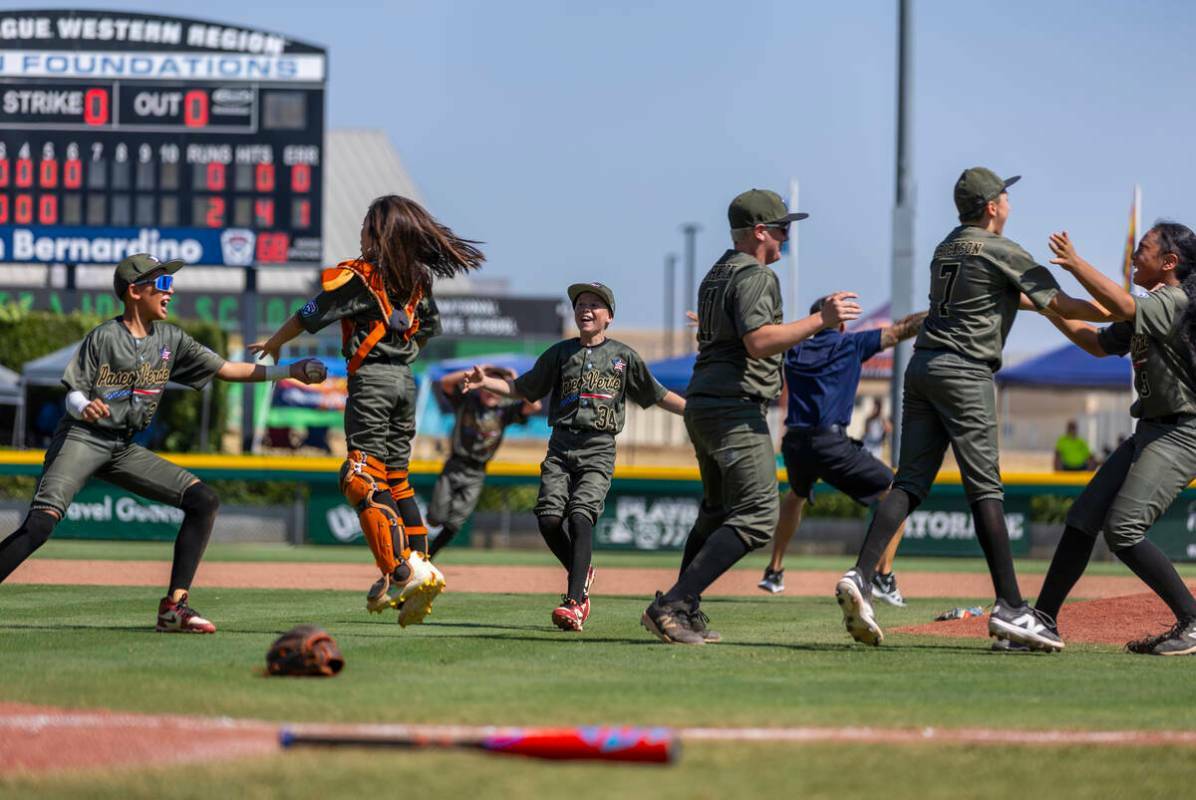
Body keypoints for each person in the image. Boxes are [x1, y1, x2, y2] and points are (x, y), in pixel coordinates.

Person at [834, 167, 1113, 649]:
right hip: (965, 370)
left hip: (922, 367)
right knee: (986, 489)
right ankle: (1011, 606)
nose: (1009, 201)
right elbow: (1062, 305)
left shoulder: (948, 245)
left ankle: (861, 576)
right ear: (992, 206)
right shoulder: (1001, 248)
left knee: (907, 484)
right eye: (1005, 195)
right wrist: (1121, 309)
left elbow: (1002, 299)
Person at [0, 253, 327, 633]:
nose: (170, 292)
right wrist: (84, 405)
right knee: (40, 525)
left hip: (122, 447)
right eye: (163, 284)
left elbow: (226, 369)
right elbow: (73, 390)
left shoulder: (171, 339)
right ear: (135, 291)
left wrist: (291, 371)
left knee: (203, 500)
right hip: (82, 437)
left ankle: (175, 608)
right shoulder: (105, 336)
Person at [641, 188, 861, 645]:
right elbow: (759, 342)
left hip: (705, 401)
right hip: (733, 408)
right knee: (760, 516)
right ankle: (672, 605)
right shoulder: (756, 275)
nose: (786, 237)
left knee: (718, 511)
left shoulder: (716, 273)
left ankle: (685, 607)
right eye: (782, 228)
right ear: (760, 232)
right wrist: (821, 319)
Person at [254, 195, 483, 627]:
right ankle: (422, 564)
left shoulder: (359, 279)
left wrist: (274, 344)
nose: (359, 232)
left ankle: (400, 572)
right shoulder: (418, 280)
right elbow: (429, 328)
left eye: (365, 226)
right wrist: (402, 353)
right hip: (405, 381)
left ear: (378, 234)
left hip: (373, 382)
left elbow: (309, 315)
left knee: (359, 475)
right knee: (396, 479)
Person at [464, 282, 685, 631]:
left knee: (581, 516)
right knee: (549, 519)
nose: (586, 309)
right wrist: (486, 382)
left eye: (595, 304)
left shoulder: (623, 357)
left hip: (598, 447)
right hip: (560, 445)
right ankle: (582, 571)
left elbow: (657, 394)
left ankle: (575, 602)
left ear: (609, 317)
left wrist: (693, 412)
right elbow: (523, 389)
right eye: (581, 303)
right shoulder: (559, 354)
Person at [1028, 222, 1196, 655]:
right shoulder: (1147, 307)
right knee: (1083, 517)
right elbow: (1096, 345)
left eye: (1143, 250)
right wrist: (1048, 309)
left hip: (1182, 432)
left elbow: (1119, 302)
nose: (1133, 257)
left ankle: (1194, 623)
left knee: (1123, 529)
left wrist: (1075, 263)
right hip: (1151, 429)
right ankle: (1042, 620)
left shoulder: (1173, 301)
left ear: (1169, 263)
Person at [758, 298, 927, 605]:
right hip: (830, 443)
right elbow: (902, 330)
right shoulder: (849, 344)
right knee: (897, 491)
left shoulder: (794, 349)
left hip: (795, 443)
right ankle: (883, 576)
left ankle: (774, 570)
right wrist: (945, 309)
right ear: (842, 323)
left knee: (796, 495)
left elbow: (753, 344)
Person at [426, 366, 541, 558]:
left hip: (477, 472)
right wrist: (482, 369)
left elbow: (534, 406)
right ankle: (415, 547)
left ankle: (427, 556)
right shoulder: (467, 401)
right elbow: (446, 381)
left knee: (455, 522)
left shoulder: (505, 412)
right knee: (435, 518)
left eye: (495, 388)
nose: (491, 393)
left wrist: (515, 383)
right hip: (455, 465)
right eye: (488, 386)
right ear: (480, 386)